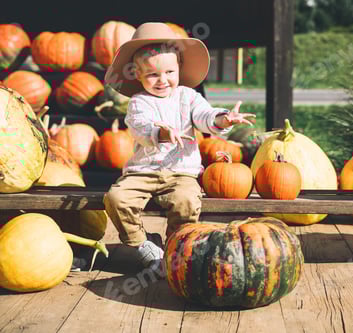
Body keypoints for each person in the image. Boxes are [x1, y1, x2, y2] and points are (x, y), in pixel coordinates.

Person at [102, 22, 255, 273]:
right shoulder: (139, 102)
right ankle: (142, 244)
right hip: (143, 172)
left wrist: (222, 118)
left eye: (169, 72)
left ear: (179, 68)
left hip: (181, 172)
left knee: (187, 201)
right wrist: (161, 132)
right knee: (116, 198)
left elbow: (204, 115)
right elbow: (140, 127)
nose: (162, 80)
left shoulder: (188, 96)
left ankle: (175, 247)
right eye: (152, 75)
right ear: (137, 75)